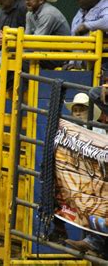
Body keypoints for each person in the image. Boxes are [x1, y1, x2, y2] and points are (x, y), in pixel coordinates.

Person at [61, 92, 108, 259]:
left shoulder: (99, 130)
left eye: (82, 109)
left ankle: (95, 243)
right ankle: (94, 243)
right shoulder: (71, 132)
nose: (79, 113)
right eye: (76, 109)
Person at [16, 0, 71, 69]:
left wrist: (16, 43)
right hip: (46, 51)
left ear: (41, 0)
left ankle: (31, 82)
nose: (26, 1)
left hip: (60, 56)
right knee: (16, 55)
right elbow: (27, 36)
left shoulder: (48, 13)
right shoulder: (29, 13)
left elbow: (37, 41)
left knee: (24, 58)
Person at [64, 0, 108, 70]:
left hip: (102, 62)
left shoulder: (105, 5)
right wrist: (72, 61)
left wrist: (87, 26)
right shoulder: (81, 11)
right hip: (83, 62)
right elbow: (74, 37)